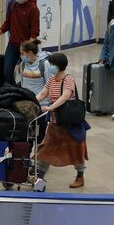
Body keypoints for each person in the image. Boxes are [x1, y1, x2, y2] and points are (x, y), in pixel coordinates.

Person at [34, 53, 88, 189]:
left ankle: (80, 176)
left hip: (69, 124)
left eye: (52, 64)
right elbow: (42, 93)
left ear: (58, 66)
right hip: (54, 123)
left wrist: (50, 107)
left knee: (75, 150)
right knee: (47, 149)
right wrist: (32, 101)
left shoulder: (68, 79)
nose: (50, 67)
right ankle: (39, 177)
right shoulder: (52, 79)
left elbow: (65, 97)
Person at [0, 0, 40, 86]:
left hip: (26, 47)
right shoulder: (12, 4)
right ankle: (14, 90)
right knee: (7, 71)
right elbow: (7, 23)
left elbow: (34, 32)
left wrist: (27, 48)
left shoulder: (33, 9)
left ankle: (25, 91)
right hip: (13, 45)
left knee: (27, 73)